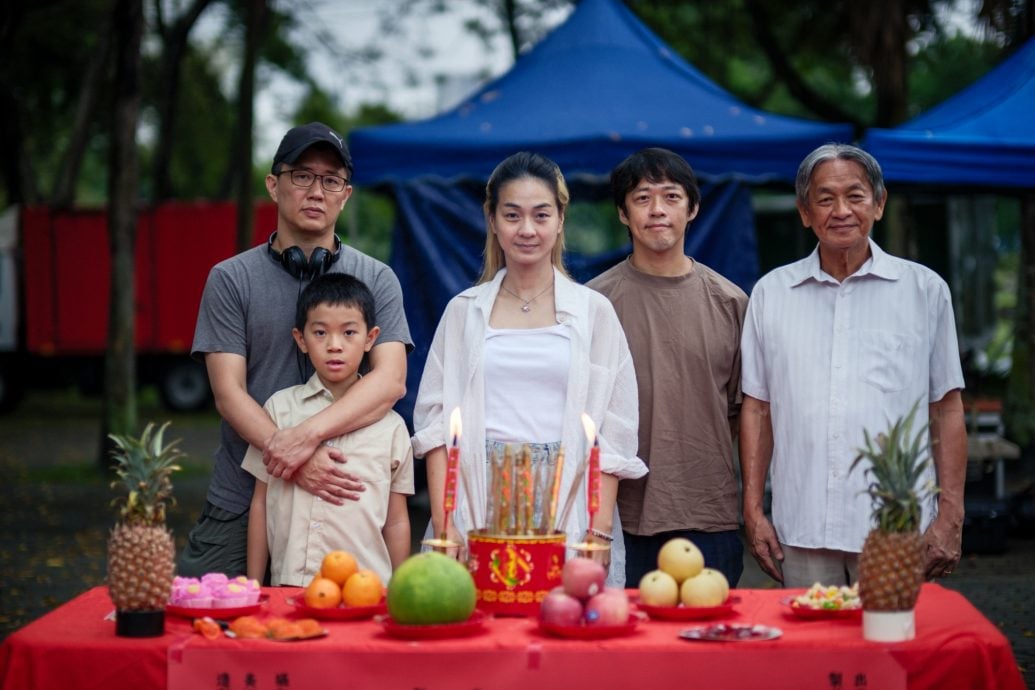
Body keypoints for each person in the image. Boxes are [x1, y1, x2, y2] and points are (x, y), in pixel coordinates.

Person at [179, 122, 412, 578]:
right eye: (302, 176)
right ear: (273, 185)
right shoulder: (230, 279)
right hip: (246, 495)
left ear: (345, 195)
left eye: (330, 181)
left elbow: (390, 381)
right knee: (203, 621)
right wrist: (292, 459)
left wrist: (302, 441)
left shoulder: (378, 278)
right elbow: (229, 393)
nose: (316, 191)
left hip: (344, 501)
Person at [410, 151, 647, 585]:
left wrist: (599, 531)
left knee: (570, 633)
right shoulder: (464, 312)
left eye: (541, 215)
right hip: (476, 497)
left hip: (570, 496)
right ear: (492, 220)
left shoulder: (595, 313)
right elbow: (433, 424)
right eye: (512, 215)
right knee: (477, 633)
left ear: (560, 219)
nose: (527, 230)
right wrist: (447, 524)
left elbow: (614, 431)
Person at [739, 143, 967, 588]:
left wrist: (952, 515)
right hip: (801, 528)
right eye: (825, 199)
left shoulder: (924, 290)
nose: (841, 210)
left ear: (879, 204)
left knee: (893, 651)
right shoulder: (771, 294)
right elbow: (757, 408)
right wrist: (752, 508)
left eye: (856, 195)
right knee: (810, 652)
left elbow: (947, 408)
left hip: (898, 529)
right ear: (805, 213)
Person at [588, 148, 748, 587]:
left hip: (708, 513)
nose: (657, 210)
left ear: (692, 208)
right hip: (615, 517)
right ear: (623, 213)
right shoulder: (592, 305)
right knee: (622, 649)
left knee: (709, 646)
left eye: (671, 197)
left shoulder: (731, 302)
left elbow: (743, 413)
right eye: (642, 198)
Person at [242, 274, 412, 586]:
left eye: (349, 333)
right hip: (292, 584)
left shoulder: (392, 427)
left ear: (371, 338)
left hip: (367, 587)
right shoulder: (279, 411)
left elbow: (397, 520)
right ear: (301, 339)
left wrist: (398, 591)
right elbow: (260, 504)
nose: (335, 346)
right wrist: (255, 585)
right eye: (320, 333)